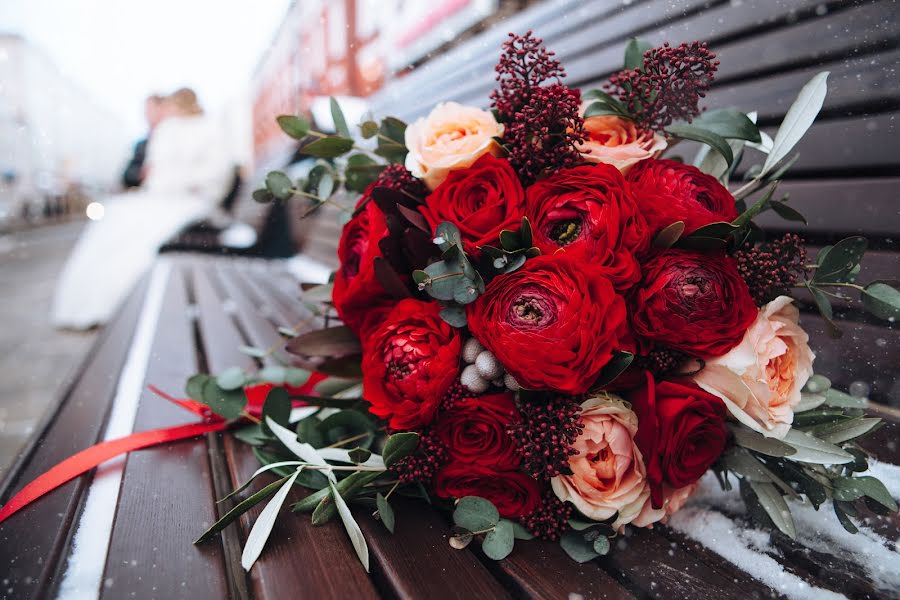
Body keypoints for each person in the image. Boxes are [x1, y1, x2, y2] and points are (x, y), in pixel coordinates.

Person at [51, 88, 234, 330]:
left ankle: (122, 303)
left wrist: (176, 182)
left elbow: (217, 174)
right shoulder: (168, 131)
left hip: (194, 201)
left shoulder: (209, 129)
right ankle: (100, 301)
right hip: (165, 197)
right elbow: (156, 173)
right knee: (118, 216)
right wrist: (164, 184)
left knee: (140, 227)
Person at [121, 94, 165, 189]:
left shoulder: (175, 140)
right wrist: (142, 173)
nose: (146, 114)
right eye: (146, 110)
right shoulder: (142, 144)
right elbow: (127, 176)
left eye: (150, 109)